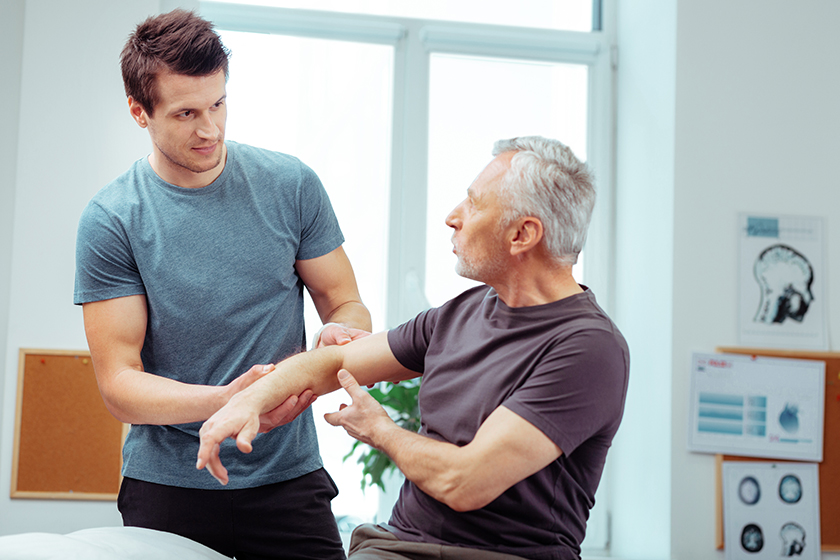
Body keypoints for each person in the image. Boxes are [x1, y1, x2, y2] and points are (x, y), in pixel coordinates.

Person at [196, 136, 630, 560]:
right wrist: (246, 401)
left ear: (522, 234)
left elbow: (465, 481)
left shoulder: (588, 349)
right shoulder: (461, 312)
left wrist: (380, 430)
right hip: (397, 545)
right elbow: (336, 360)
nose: (453, 217)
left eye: (474, 203)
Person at [73, 9, 370, 560]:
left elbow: (344, 302)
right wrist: (231, 401)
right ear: (139, 112)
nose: (209, 129)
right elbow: (119, 383)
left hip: (287, 478)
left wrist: (342, 332)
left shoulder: (291, 185)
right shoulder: (113, 219)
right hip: (168, 485)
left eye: (218, 104)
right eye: (186, 113)